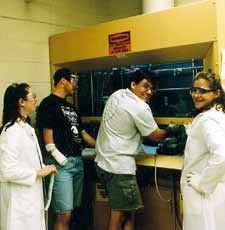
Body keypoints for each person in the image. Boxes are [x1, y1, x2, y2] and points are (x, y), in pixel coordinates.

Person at [95, 69, 179, 230]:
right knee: (118, 215)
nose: (149, 92)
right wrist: (172, 129)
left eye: (151, 89)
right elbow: (155, 136)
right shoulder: (140, 107)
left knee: (127, 212)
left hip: (102, 163)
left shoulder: (117, 95)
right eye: (145, 86)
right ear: (133, 84)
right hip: (119, 168)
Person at [36, 68, 96, 230]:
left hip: (77, 162)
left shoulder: (72, 108)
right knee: (64, 213)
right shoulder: (48, 104)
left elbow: (83, 134)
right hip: (61, 164)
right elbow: (48, 139)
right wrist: (60, 159)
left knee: (72, 211)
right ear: (63, 81)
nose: (75, 85)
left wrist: (102, 147)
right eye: (72, 80)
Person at [0, 83, 56, 230]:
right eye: (33, 97)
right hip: (19, 201)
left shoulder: (26, 128)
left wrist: (45, 167)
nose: (36, 100)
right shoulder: (11, 131)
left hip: (30, 198)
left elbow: (28, 161)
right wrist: (38, 173)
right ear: (21, 102)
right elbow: (8, 170)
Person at [181, 71, 225, 230]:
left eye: (202, 91)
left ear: (216, 93)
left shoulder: (208, 120)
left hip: (203, 195)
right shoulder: (216, 115)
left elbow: (222, 156)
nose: (196, 95)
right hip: (214, 193)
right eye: (194, 90)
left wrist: (202, 183)